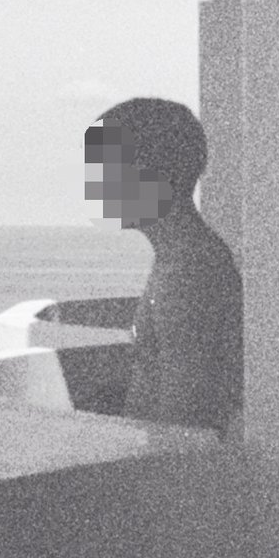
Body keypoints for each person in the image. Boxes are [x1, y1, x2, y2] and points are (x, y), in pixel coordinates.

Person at [85, 98, 243, 440]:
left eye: (104, 168)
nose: (93, 185)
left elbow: (185, 425)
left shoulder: (189, 273)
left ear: (150, 173)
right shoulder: (182, 260)